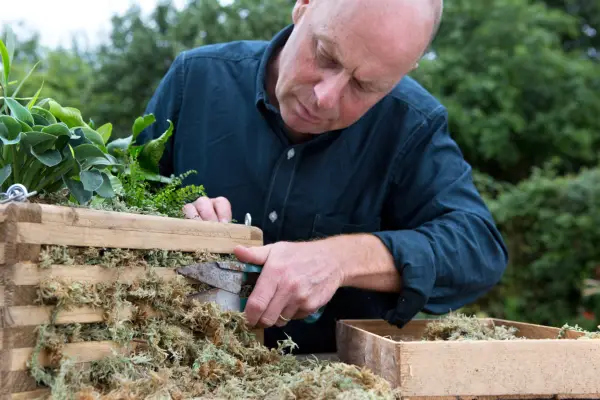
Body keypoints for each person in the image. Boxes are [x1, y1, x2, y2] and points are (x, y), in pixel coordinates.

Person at [136, 0, 509, 354]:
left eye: (365, 86)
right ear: (303, 5)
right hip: (169, 368)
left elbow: (478, 248)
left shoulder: (413, 124)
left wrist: (338, 259)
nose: (325, 98)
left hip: (332, 379)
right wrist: (170, 217)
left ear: (399, 76)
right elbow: (114, 203)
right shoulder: (194, 79)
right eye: (326, 55)